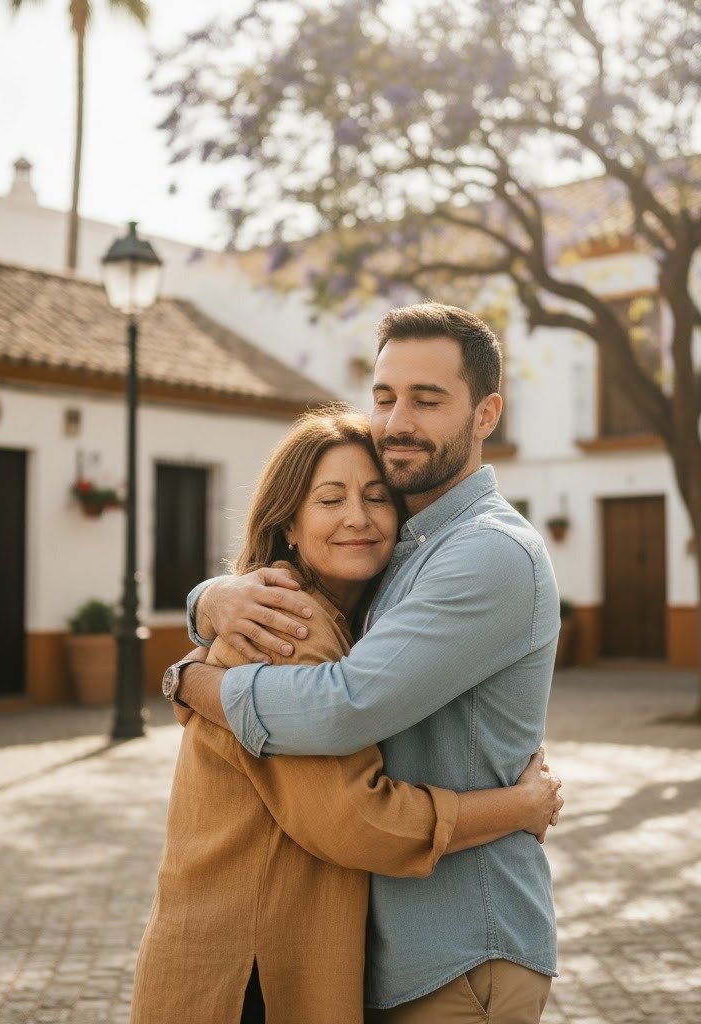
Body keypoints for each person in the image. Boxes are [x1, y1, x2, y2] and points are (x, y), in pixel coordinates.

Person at [176, 303, 562, 1022]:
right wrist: (209, 599)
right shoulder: (401, 552)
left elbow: (342, 706)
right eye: (384, 397)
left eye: (427, 399)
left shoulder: (484, 553)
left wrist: (190, 681)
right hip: (391, 960)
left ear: (487, 414)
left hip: (460, 950)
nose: (396, 421)